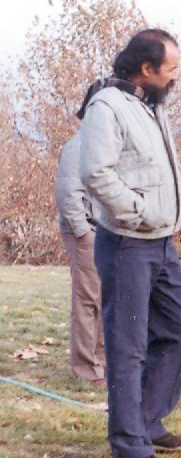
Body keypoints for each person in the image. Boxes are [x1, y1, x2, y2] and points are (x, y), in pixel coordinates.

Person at [79, 29, 181, 458]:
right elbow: (96, 174)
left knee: (179, 331)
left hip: (162, 243)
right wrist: (141, 212)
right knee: (128, 347)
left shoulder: (150, 104)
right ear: (146, 69)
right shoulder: (107, 106)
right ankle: (129, 445)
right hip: (129, 243)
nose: (175, 79)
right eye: (172, 70)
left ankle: (147, 421)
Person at [54, 86, 106, 386]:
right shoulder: (78, 147)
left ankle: (102, 362)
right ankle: (87, 368)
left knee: (105, 299)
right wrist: (84, 233)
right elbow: (67, 194)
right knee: (88, 299)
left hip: (105, 231)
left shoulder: (104, 144)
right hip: (84, 231)